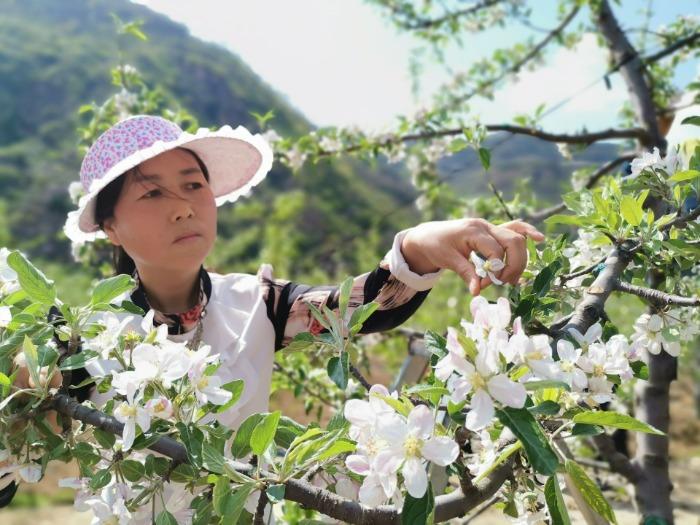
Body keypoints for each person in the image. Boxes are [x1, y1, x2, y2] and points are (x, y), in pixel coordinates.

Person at [0, 115, 544, 513]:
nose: (184, 205)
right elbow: (16, 457)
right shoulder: (78, 339)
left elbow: (357, 308)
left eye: (194, 185)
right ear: (111, 227)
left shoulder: (257, 302)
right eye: (152, 194)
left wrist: (419, 247)